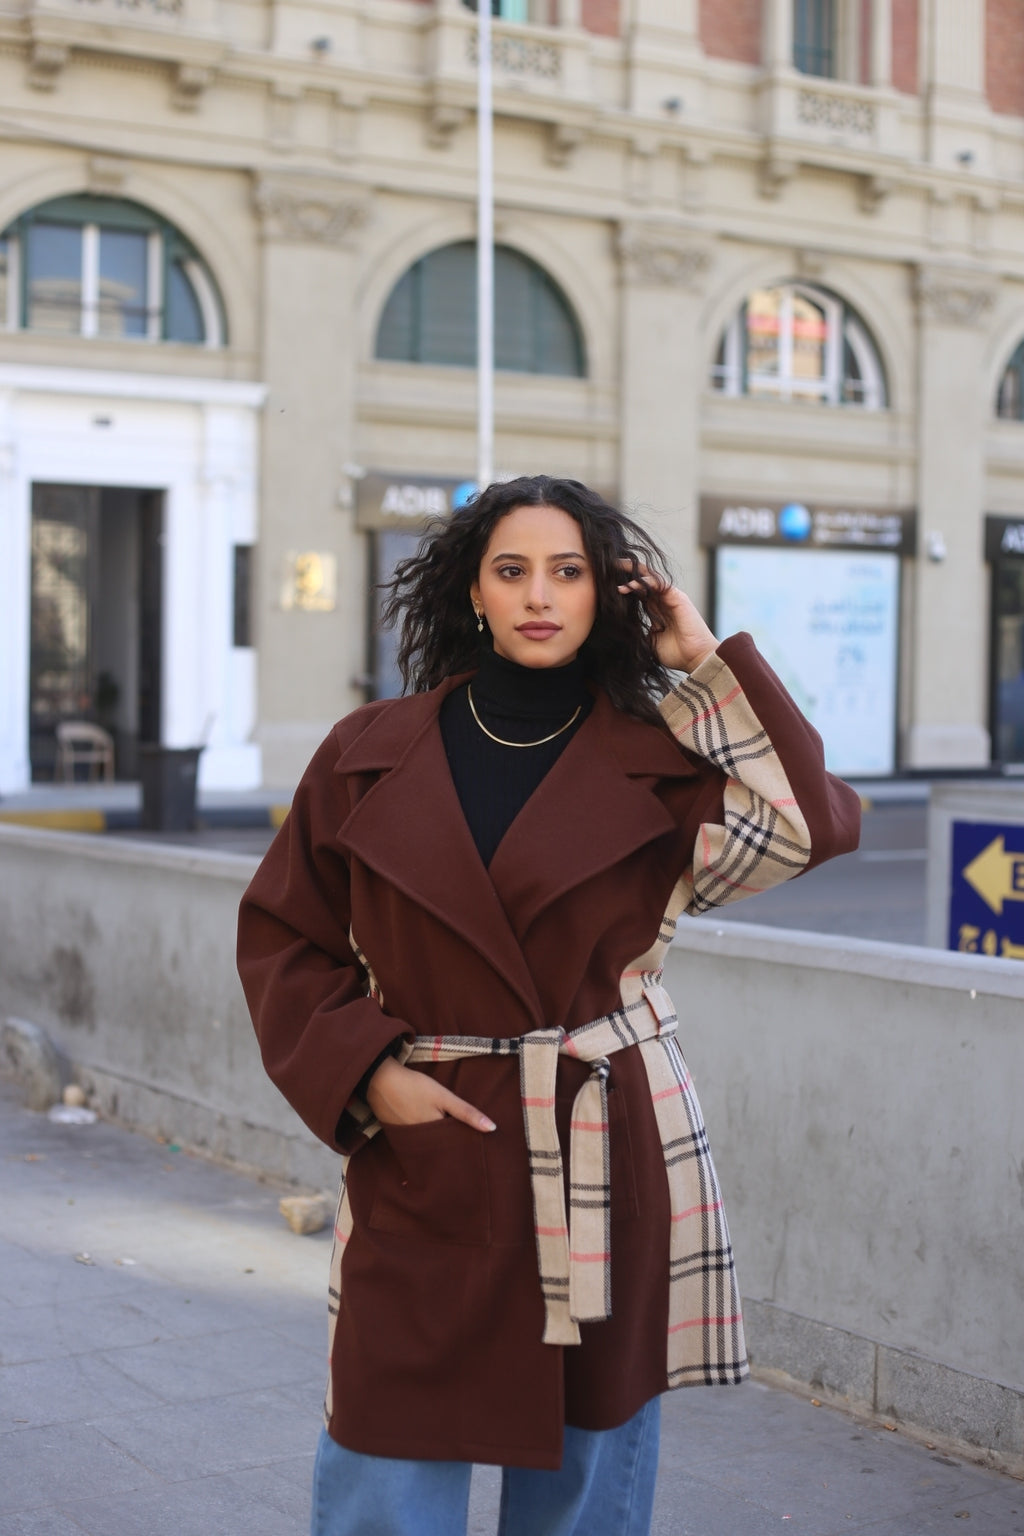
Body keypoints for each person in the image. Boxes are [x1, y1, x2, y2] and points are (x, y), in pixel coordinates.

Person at [236, 475, 861, 1536]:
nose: (540, 595)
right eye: (512, 570)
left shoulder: (663, 760)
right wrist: (369, 1075)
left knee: (583, 1477)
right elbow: (284, 935)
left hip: (602, 1133)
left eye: (568, 572)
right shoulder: (365, 751)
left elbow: (810, 822)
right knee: (382, 1469)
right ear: (472, 594)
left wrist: (702, 661)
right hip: (426, 1135)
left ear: (605, 596)